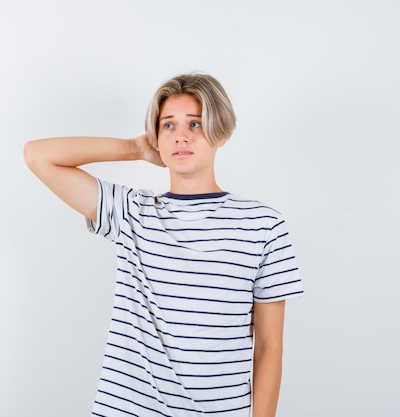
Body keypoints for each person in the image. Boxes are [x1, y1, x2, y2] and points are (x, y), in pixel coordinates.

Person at [24, 73, 304, 417]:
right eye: (168, 125)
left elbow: (269, 346)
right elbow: (38, 155)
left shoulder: (263, 225)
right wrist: (135, 148)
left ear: (221, 132)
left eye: (196, 124)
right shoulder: (131, 211)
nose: (181, 135)